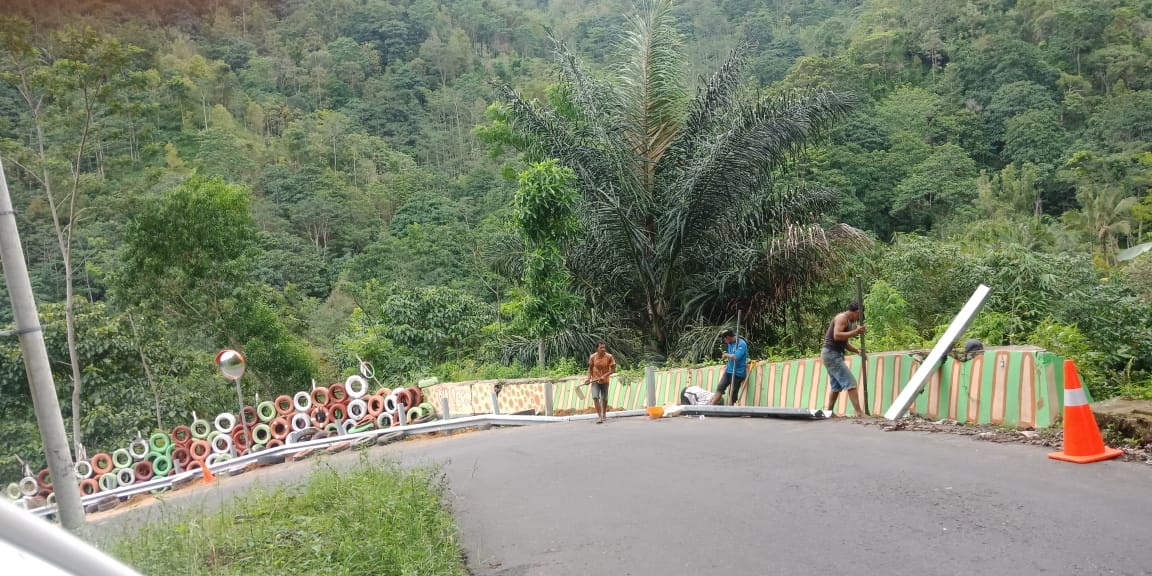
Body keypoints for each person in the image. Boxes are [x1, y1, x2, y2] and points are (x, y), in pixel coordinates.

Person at [823, 302, 866, 416]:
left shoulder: (848, 322)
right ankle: (859, 413)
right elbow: (837, 335)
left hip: (831, 354)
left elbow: (845, 343)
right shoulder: (842, 318)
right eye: (859, 316)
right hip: (832, 354)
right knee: (850, 382)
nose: (858, 319)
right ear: (857, 312)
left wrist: (857, 351)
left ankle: (828, 412)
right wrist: (855, 332)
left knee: (836, 386)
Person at [711, 329, 748, 405]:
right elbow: (731, 357)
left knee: (732, 393)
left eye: (724, 340)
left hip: (738, 373)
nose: (725, 342)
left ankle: (730, 409)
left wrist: (726, 355)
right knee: (720, 388)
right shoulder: (730, 343)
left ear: (727, 337)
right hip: (728, 371)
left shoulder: (741, 344)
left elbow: (736, 356)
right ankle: (710, 406)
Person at [586, 341, 616, 424]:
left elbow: (613, 370)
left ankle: (604, 414)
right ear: (597, 349)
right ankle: (599, 416)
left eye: (604, 347)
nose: (603, 349)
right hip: (595, 380)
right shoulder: (592, 357)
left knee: (604, 398)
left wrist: (605, 375)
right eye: (601, 348)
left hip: (605, 380)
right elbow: (590, 368)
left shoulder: (609, 356)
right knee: (595, 397)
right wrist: (588, 378)